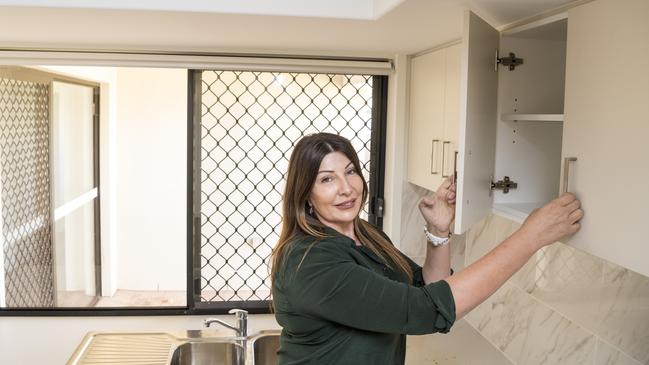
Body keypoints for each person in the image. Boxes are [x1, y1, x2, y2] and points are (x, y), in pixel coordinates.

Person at [270, 132, 582, 364]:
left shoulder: (367, 236)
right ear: (306, 195)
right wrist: (530, 237)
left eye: (350, 171)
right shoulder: (309, 262)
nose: (346, 188)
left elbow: (429, 286)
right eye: (327, 179)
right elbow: (427, 309)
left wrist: (438, 230)